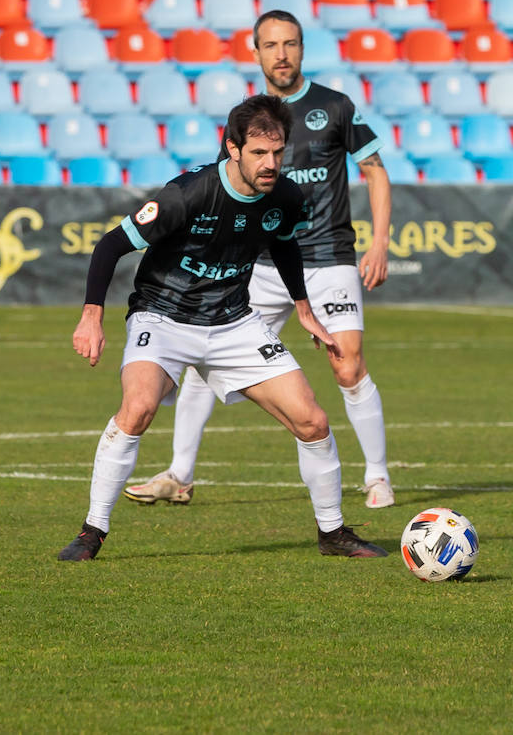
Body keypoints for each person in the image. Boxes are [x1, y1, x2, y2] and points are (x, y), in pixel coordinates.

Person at [57, 94, 388, 562]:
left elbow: (285, 245)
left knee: (312, 420)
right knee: (138, 408)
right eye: (258, 153)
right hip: (163, 316)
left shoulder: (287, 196)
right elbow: (111, 245)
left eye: (277, 152)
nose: (270, 163)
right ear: (232, 148)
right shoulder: (189, 193)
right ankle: (92, 532)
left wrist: (303, 306)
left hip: (232, 321)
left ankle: (332, 533)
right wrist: (92, 316)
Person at [124, 10, 397, 511]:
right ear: (256, 52)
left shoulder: (334, 107)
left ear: (302, 48)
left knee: (347, 364)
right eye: (271, 45)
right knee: (203, 362)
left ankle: (377, 476)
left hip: (329, 257)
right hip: (261, 265)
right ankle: (179, 474)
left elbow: (376, 172)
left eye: (290, 43)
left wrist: (379, 242)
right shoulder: (245, 119)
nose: (282, 54)